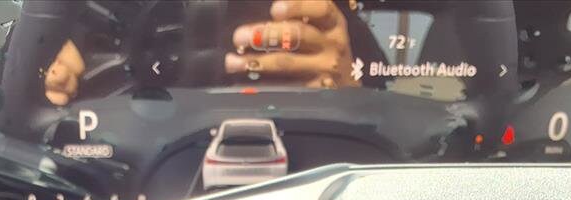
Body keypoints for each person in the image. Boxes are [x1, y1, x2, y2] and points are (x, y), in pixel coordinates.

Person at [44, 0, 361, 106]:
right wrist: (40, 73)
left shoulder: (323, 14)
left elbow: (382, 133)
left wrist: (344, 96)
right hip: (122, 196)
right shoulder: (76, 16)